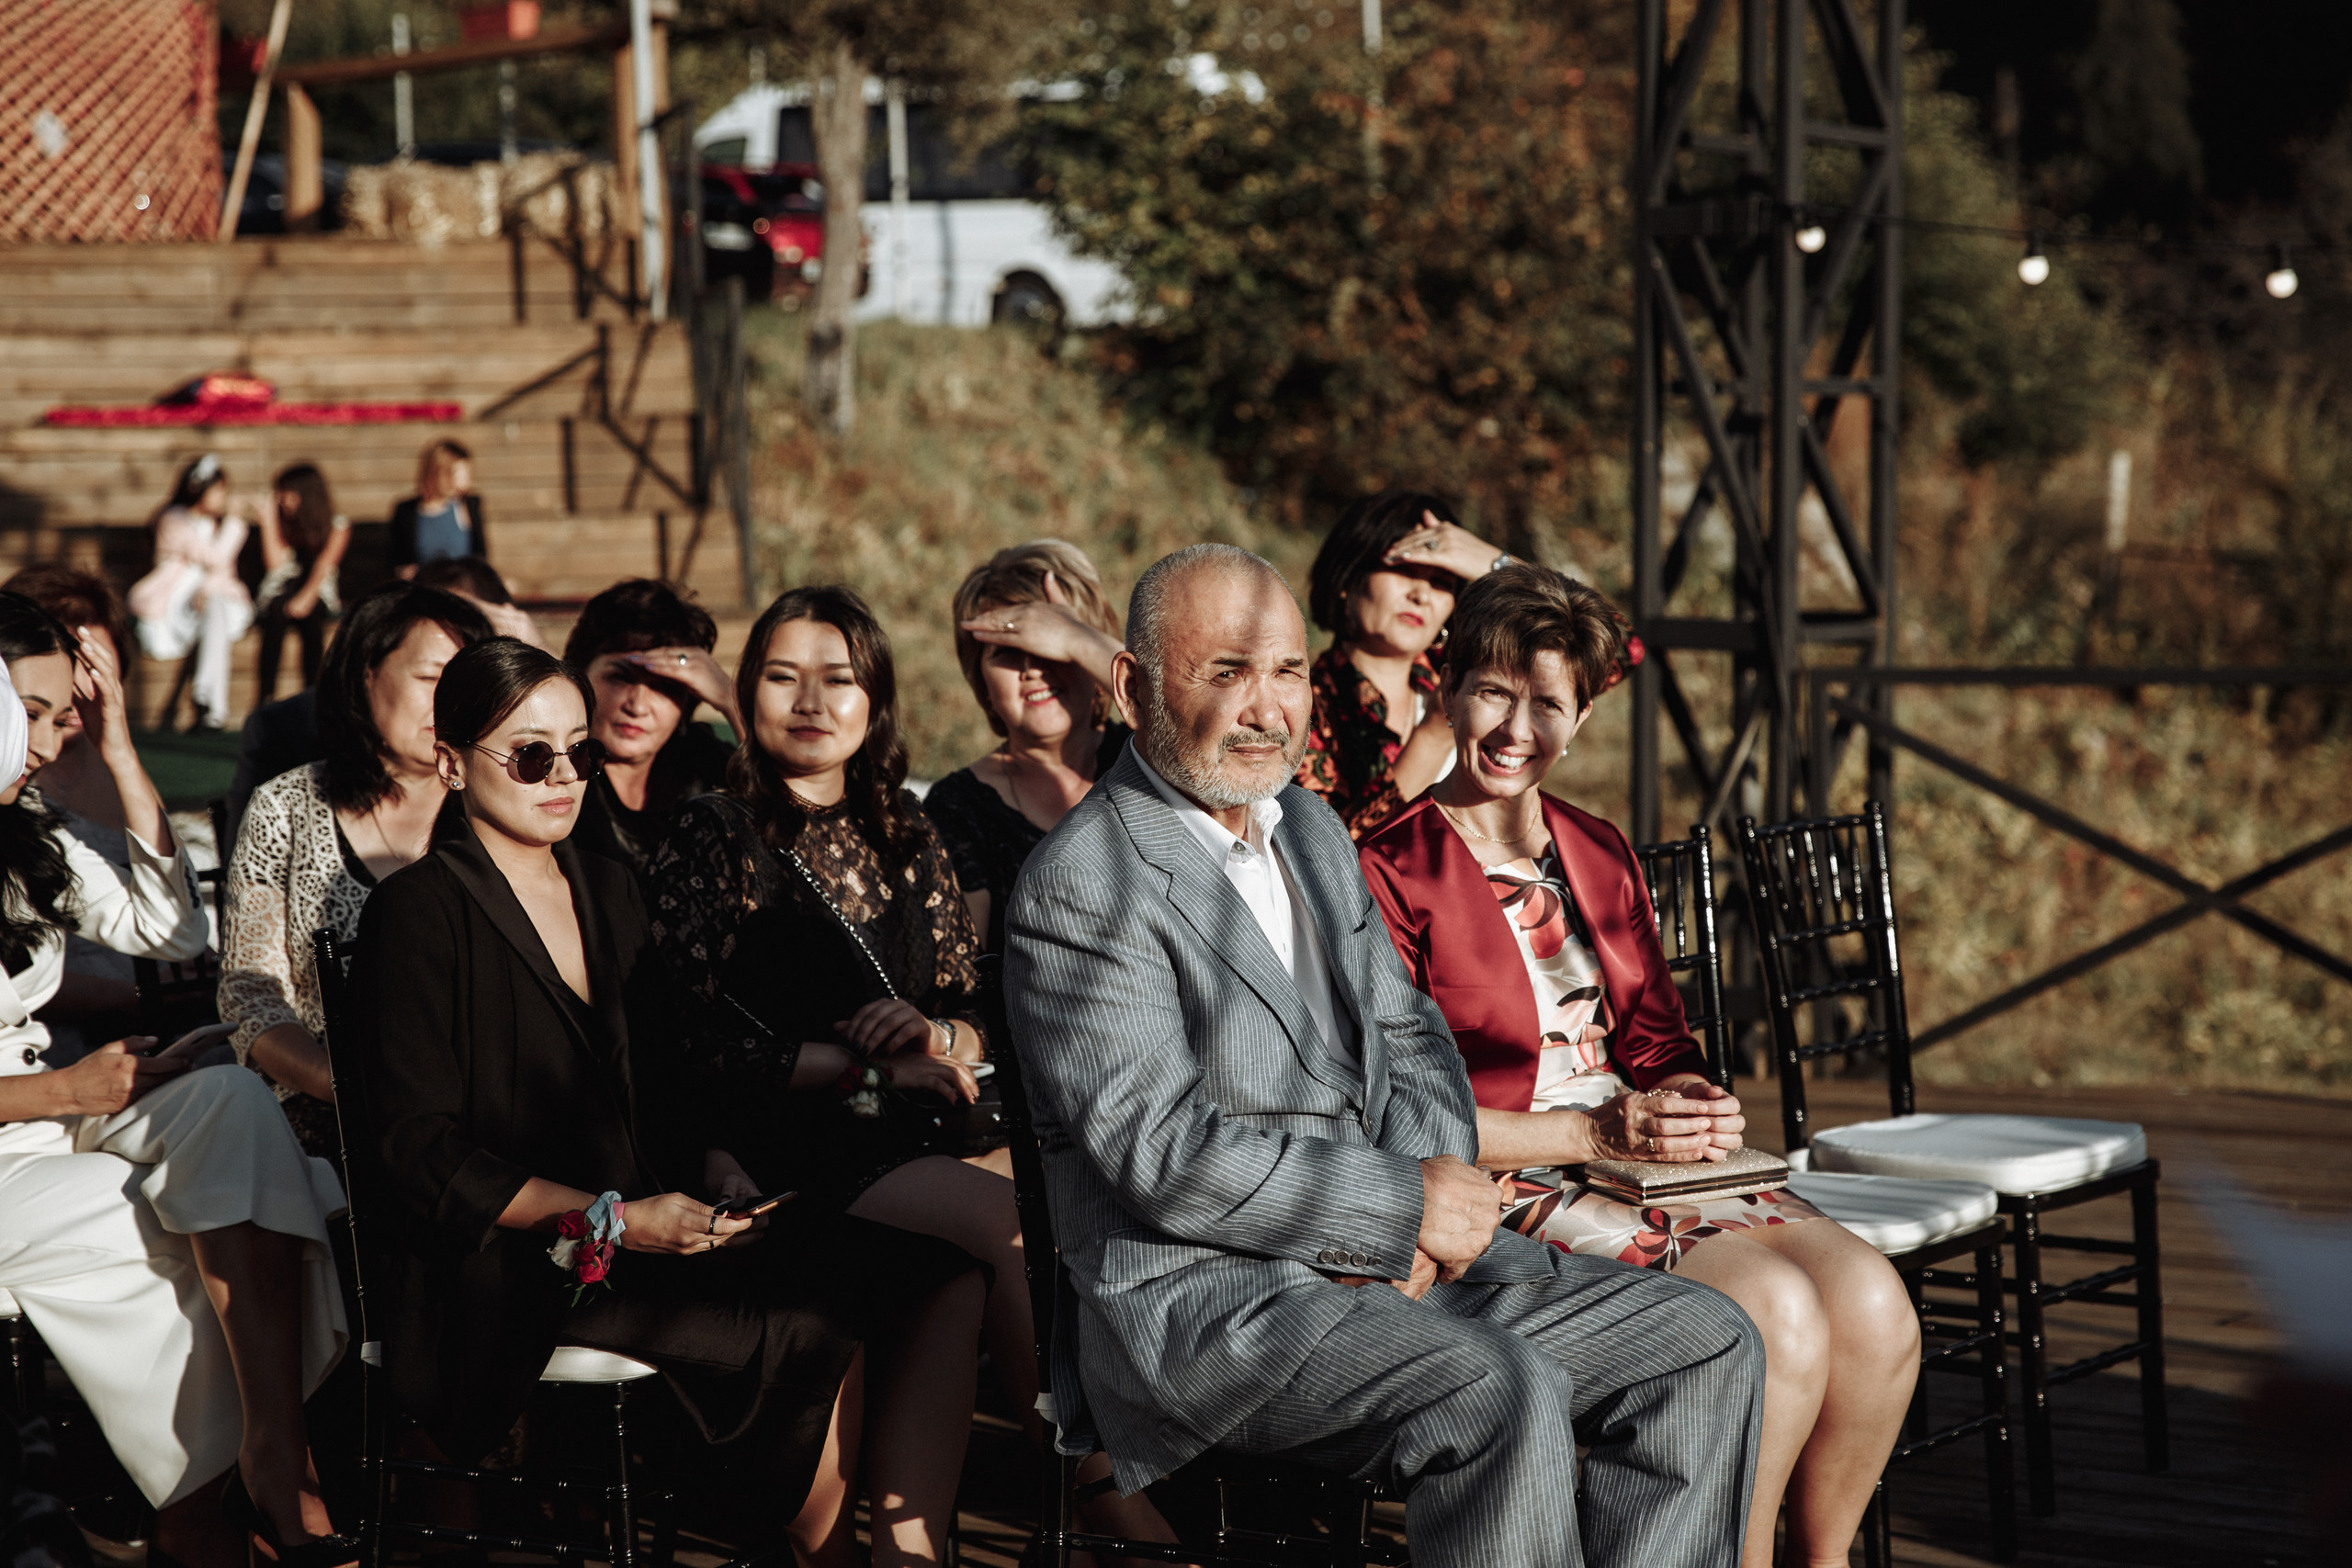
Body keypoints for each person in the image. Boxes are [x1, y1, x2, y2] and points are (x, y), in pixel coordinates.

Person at [1002, 544, 1764, 1568]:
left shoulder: (1307, 828)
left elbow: (1410, 1040)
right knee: (1500, 1388)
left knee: (1705, 1341)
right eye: (1224, 672)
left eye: (1283, 672)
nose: (1264, 706)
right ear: (1133, 688)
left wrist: (1426, 1226)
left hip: (1397, 1269)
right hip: (1209, 1307)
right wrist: (1396, 1209)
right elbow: (1165, 1155)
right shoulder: (1085, 882)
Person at [352, 637, 983, 1567]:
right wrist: (608, 1220)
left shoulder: (610, 887)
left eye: (579, 752)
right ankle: (819, 1553)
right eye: (530, 755)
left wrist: (715, 1163)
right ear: (451, 760)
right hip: (515, 1261)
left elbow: (674, 1075)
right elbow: (414, 1151)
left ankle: (902, 1554)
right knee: (816, 1317)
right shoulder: (416, 911)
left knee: (941, 1276)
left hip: (658, 1219)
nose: (561, 776)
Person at [1357, 564, 1919, 1568]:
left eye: (1546, 703)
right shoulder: (1387, 866)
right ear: (1446, 687)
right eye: (1492, 690)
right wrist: (1591, 1133)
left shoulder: (1595, 846)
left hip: (1634, 1151)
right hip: (1509, 1173)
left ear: (1578, 720)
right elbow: (1398, 1106)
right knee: (1776, 1311)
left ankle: (1821, 1561)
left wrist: (1691, 1095)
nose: (1514, 725)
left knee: (1872, 1300)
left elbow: (1656, 1040)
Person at [644, 585, 1174, 1551]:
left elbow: (974, 1009)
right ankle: (1113, 1500)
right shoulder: (711, 831)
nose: (812, 701)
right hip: (790, 1143)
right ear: (747, 694)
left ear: (876, 700)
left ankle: (910, 1547)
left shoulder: (904, 830)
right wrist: (858, 1066)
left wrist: (936, 1038)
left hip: (918, 1136)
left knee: (1020, 1241)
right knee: (1011, 1224)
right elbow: (689, 1044)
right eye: (781, 677)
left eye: (839, 680)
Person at [0, 592, 350, 1568]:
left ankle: (277, 1456)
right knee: (181, 1227)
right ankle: (207, 1508)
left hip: (47, 1125)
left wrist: (114, 751)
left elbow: (175, 932)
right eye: (25, 711)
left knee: (231, 1102)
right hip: (27, 1130)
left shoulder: (27, 831)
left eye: (56, 715)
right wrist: (65, 1093)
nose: (38, 740)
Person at [220, 583, 492, 1157]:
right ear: (366, 673)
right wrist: (346, 1086)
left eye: (467, 684)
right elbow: (251, 993)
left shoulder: (498, 808)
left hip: (489, 1110)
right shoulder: (287, 806)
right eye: (429, 678)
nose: (449, 702)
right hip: (325, 1114)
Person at [926, 541, 1126, 950]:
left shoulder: (1149, 755)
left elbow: (1199, 726)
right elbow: (964, 979)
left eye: (1049, 643)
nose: (1033, 668)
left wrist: (1080, 639)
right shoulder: (957, 807)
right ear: (980, 678)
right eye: (1006, 652)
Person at [1295, 490, 1521, 840]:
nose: (1421, 594)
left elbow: (1617, 652)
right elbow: (1326, 865)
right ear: (1349, 579)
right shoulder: (1300, 706)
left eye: (1442, 580)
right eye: (1403, 570)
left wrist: (1497, 565)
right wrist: (1433, 738)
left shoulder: (1469, 673)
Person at [1, 565, 143, 1065]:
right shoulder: (17, 779)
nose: (81, 682)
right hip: (47, 1033)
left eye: (95, 661)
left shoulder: (116, 766)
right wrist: (134, 998)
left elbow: (169, 910)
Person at [562, 579, 740, 879]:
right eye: (621, 678)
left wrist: (731, 700)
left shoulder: (706, 762)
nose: (638, 706)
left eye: (665, 687)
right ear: (580, 675)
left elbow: (786, 822)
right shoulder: (552, 772)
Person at [128, 453, 255, 730]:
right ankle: (209, 704)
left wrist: (207, 589)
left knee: (216, 609)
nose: (224, 497)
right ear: (200, 489)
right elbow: (214, 558)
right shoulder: (173, 519)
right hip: (175, 601)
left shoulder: (213, 525)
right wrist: (235, 522)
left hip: (213, 598)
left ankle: (208, 704)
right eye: (219, 490)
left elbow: (220, 573)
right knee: (214, 610)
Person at [254, 464, 351, 703]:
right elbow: (276, 565)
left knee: (313, 617)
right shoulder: (280, 522)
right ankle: (266, 695)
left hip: (317, 592)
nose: (282, 499)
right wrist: (268, 522)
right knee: (275, 614)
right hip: (282, 590)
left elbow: (324, 568)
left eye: (287, 492)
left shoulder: (336, 525)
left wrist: (305, 598)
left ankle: (311, 692)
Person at [388, 439, 486, 578]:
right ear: (438, 473)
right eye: (455, 473)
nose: (464, 481)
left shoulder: (468, 506)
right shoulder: (406, 511)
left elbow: (481, 558)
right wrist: (404, 571)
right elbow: (396, 560)